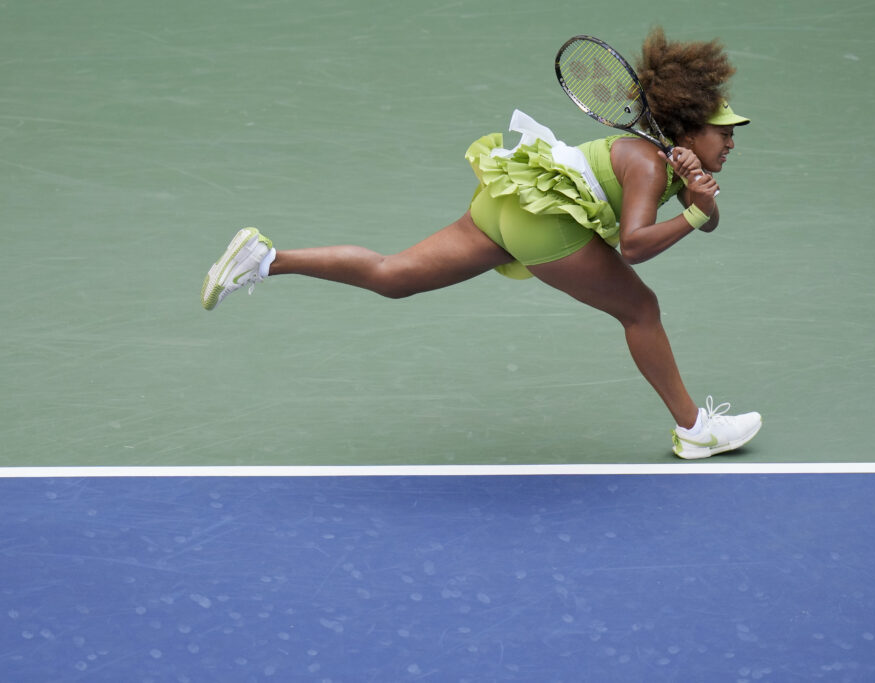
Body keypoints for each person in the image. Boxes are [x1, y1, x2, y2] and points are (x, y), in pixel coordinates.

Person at [200, 28, 762, 459]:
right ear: (687, 127)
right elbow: (636, 246)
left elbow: (703, 219)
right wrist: (691, 212)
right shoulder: (646, 164)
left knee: (395, 276)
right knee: (641, 308)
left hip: (509, 201)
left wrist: (698, 203)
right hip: (545, 222)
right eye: (724, 132)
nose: (731, 142)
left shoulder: (669, 165)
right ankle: (694, 431)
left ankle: (264, 258)